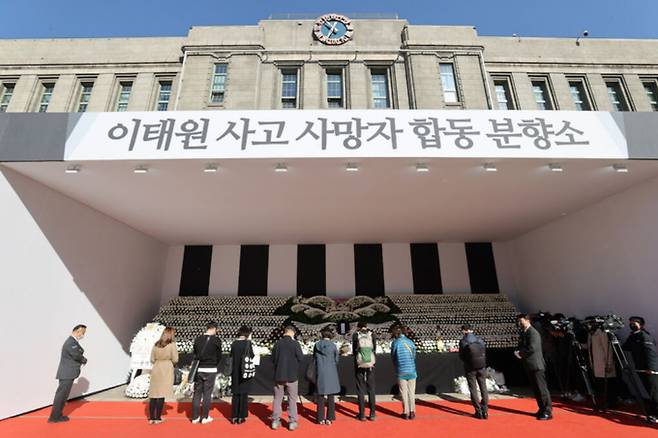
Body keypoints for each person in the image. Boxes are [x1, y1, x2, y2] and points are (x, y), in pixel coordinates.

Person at [515, 314, 552, 420]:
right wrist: (518, 351)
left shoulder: (533, 333)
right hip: (529, 364)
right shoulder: (524, 333)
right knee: (536, 389)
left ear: (527, 320)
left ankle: (547, 411)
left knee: (542, 389)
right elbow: (522, 345)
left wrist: (520, 353)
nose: (519, 323)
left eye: (521, 321)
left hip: (536, 365)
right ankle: (541, 408)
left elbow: (532, 348)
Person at [48, 324, 88, 423]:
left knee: (63, 396)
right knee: (61, 396)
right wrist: (84, 359)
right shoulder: (71, 342)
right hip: (66, 373)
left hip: (68, 373)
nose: (83, 335)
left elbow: (79, 351)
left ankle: (58, 415)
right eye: (83, 332)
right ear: (77, 331)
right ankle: (54, 417)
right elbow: (76, 355)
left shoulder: (73, 342)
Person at [622, 316, 658, 424]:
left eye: (635, 323)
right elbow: (625, 347)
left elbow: (651, 353)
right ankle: (652, 413)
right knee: (649, 392)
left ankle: (656, 415)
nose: (632, 324)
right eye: (631, 322)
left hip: (649, 370)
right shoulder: (633, 336)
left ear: (641, 325)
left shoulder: (645, 336)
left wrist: (652, 369)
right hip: (641, 369)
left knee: (654, 393)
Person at [271, 325, 304, 431]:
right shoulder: (295, 344)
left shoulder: (277, 344)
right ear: (292, 333)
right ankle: (292, 422)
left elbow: (273, 359)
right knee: (292, 399)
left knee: (277, 398)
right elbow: (301, 358)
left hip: (279, 375)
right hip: (292, 376)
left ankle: (275, 421)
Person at [191, 322, 223, 424]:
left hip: (199, 369)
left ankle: (195, 417)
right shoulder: (217, 340)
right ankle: (205, 417)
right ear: (214, 329)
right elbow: (219, 356)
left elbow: (195, 354)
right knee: (207, 394)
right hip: (211, 369)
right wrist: (214, 364)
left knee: (197, 393)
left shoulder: (198, 339)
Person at [148, 327, 179, 424]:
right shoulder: (172, 345)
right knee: (161, 394)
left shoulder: (156, 344)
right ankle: (158, 418)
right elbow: (175, 359)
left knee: (154, 394)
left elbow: (152, 359)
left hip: (157, 367)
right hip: (166, 368)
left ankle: (152, 417)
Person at [458, 323, 489, 419]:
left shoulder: (463, 341)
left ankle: (478, 411)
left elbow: (461, 356)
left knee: (473, 389)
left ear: (464, 330)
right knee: (483, 387)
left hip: (470, 367)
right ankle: (485, 410)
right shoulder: (479, 339)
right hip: (481, 366)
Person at [313, 327, 341, 425]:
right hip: (331, 371)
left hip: (320, 371)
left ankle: (320, 418)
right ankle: (330, 418)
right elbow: (336, 360)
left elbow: (314, 359)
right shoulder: (333, 346)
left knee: (320, 395)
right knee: (330, 396)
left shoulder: (316, 345)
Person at [230, 325, 257, 424]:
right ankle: (241, 416)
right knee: (243, 394)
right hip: (245, 371)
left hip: (235, 372)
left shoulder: (234, 344)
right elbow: (252, 356)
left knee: (235, 394)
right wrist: (249, 340)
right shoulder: (247, 344)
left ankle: (234, 416)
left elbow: (231, 356)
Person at [390, 325, 417, 420]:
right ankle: (412, 412)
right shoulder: (410, 342)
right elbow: (414, 356)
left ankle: (405, 412)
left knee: (403, 392)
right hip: (412, 370)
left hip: (401, 370)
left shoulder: (395, 343)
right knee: (411, 392)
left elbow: (393, 357)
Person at [352, 321, 377, 421]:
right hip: (370, 363)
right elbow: (374, 349)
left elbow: (354, 350)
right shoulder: (372, 334)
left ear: (358, 327)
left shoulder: (355, 335)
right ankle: (372, 413)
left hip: (359, 363)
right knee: (371, 388)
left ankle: (362, 414)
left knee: (360, 388)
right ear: (367, 326)